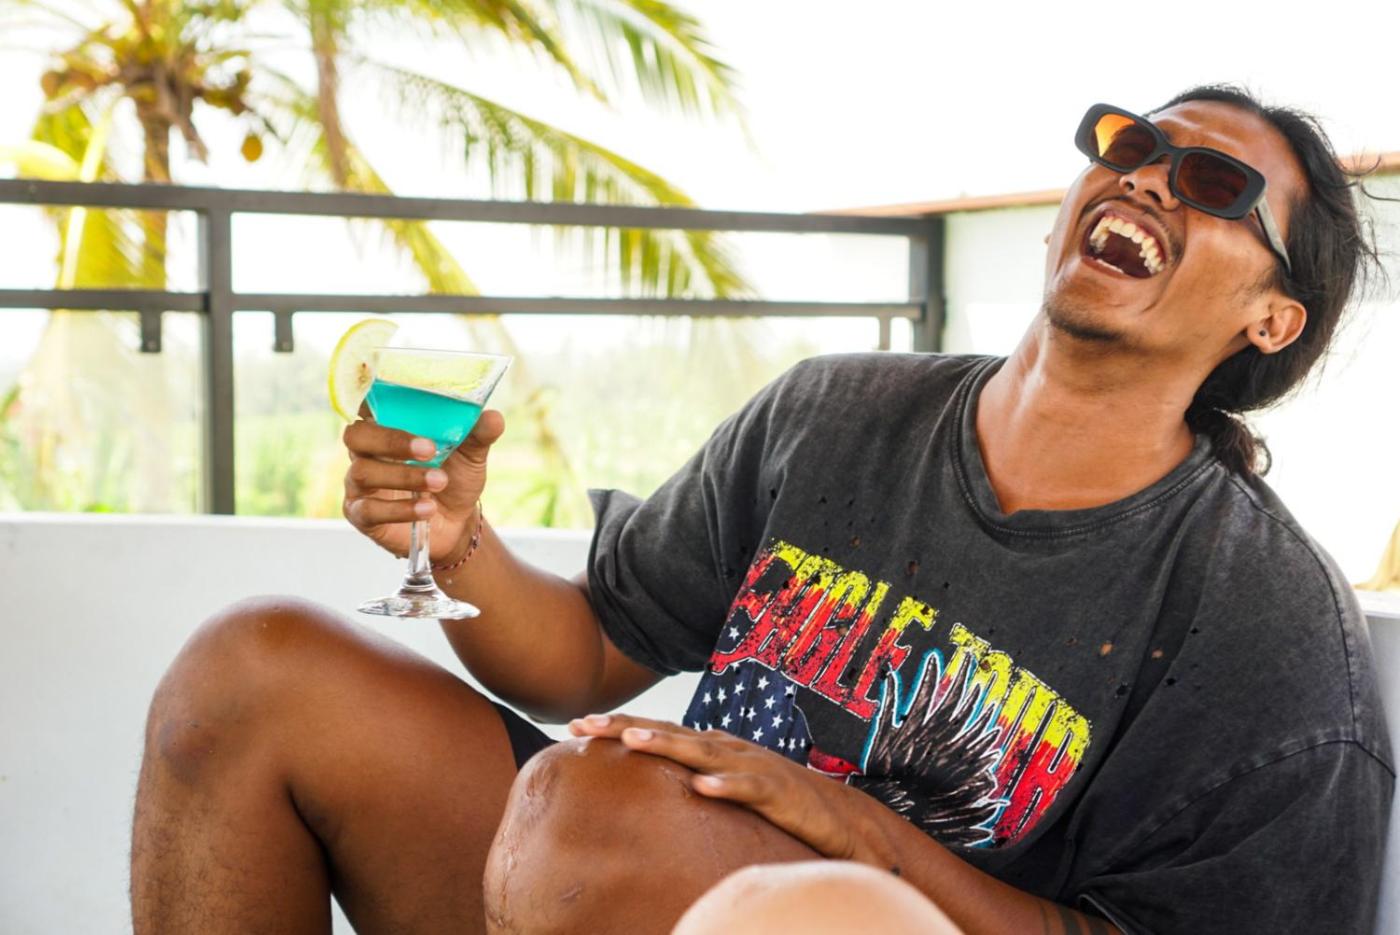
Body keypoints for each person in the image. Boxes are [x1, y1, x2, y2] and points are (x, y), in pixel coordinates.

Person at [131, 84, 1393, 934]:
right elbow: (587, 652)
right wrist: (458, 542)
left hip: (665, 872)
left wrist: (854, 834)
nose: (1150, 179)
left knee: (595, 814)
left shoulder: (1262, 620)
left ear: (1269, 318)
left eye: (1213, 182)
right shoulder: (832, 413)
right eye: (1129, 148)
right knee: (252, 669)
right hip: (601, 881)